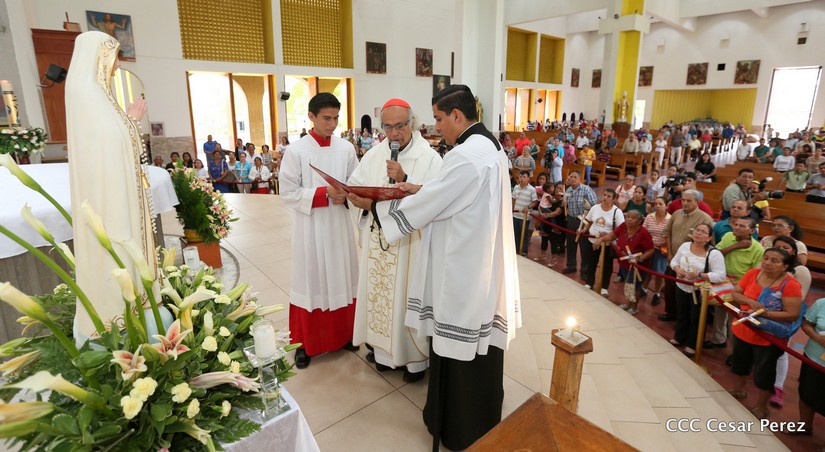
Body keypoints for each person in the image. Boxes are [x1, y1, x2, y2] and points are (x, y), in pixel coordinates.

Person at [346, 85, 521, 451]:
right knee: (478, 350)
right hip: (481, 259)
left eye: (439, 119)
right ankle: (479, 417)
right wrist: (418, 189)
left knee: (457, 345)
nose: (436, 127)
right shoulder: (488, 146)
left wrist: (373, 207)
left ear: (457, 115)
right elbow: (449, 193)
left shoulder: (464, 156)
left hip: (462, 266)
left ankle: (457, 427)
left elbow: (435, 203)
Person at [65, 31, 157, 344]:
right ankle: (117, 317)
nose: (116, 66)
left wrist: (128, 122)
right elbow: (111, 143)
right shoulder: (86, 93)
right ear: (100, 55)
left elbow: (112, 141)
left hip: (114, 189)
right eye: (114, 57)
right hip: (109, 198)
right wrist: (132, 121)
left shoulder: (96, 93)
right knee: (115, 247)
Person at [347, 98, 442, 382]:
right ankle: (384, 355)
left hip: (411, 244)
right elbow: (356, 185)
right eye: (387, 127)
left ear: (412, 123)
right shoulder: (374, 154)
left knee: (404, 299)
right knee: (380, 298)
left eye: (400, 125)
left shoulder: (429, 158)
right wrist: (353, 196)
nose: (394, 133)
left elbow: (436, 200)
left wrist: (405, 177)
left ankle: (414, 362)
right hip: (378, 241)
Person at [279, 92, 360, 369]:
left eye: (336, 118)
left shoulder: (346, 148)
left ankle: (345, 335)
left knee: (342, 275)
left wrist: (348, 194)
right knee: (311, 279)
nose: (332, 124)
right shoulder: (297, 150)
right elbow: (287, 192)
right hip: (311, 226)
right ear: (311, 117)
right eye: (326, 118)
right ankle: (305, 344)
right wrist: (323, 193)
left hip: (338, 224)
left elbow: (355, 182)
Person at [727, 248, 802, 420]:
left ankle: (761, 406)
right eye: (766, 258)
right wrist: (750, 301)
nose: (767, 263)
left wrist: (764, 313)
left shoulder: (790, 285)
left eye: (774, 261)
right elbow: (736, 292)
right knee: (739, 363)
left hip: (767, 337)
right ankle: (738, 390)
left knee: (764, 372)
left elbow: (792, 314)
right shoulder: (753, 273)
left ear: (785, 266)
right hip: (744, 329)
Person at [669, 223, 727, 355]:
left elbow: (720, 275)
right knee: (682, 313)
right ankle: (679, 337)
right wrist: (677, 269)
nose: (698, 233)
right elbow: (674, 261)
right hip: (682, 285)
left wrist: (699, 275)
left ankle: (692, 344)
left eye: (703, 232)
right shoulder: (685, 246)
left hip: (699, 291)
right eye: (697, 230)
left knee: (696, 318)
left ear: (709, 237)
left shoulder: (714, 253)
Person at [768, 236, 811, 408]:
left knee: (782, 351)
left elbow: (798, 299)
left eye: (785, 248)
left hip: (784, 316)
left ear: (793, 251)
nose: (781, 250)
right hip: (764, 313)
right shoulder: (768, 265)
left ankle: (778, 386)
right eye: (777, 246)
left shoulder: (800, 271)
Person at [660, 190, 714, 322]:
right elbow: (667, 233)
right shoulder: (676, 214)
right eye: (683, 200)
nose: (685, 203)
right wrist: (669, 253)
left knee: (687, 294)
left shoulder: (705, 218)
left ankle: (684, 320)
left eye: (689, 201)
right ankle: (670, 313)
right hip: (673, 259)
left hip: (691, 265)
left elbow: (709, 243)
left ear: (697, 202)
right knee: (670, 289)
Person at [711, 217, 765, 348]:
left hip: (740, 288)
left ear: (751, 231)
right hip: (722, 283)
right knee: (719, 313)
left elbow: (755, 275)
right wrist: (735, 246)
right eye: (736, 225)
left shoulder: (758, 249)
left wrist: (740, 289)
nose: (737, 228)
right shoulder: (728, 236)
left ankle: (733, 350)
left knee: (734, 318)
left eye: (742, 226)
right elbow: (715, 254)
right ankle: (718, 340)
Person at [596, 210, 653, 314]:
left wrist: (639, 259)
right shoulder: (623, 226)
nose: (629, 219)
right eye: (628, 217)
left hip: (637, 266)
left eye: (633, 218)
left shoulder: (644, 233)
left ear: (639, 221)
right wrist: (601, 239)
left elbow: (650, 250)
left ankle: (634, 307)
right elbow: (612, 235)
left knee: (634, 287)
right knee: (628, 285)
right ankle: (629, 303)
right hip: (624, 263)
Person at [582, 189, 624, 296]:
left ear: (613, 199)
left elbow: (621, 229)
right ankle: (589, 282)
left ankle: (604, 287)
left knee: (607, 265)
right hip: (592, 240)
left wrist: (607, 234)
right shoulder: (595, 208)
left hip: (608, 244)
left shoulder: (617, 212)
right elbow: (588, 221)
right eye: (604, 195)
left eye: (609, 196)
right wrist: (584, 229)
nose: (605, 198)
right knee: (591, 262)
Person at [796, 297, 825, 434]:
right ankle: (805, 425)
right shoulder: (821, 303)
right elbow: (806, 324)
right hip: (813, 357)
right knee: (806, 391)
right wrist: (817, 338)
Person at [562, 170, 598, 275]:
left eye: (575, 177)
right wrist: (564, 203)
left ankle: (584, 270)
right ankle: (571, 266)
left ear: (580, 179)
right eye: (571, 177)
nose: (572, 179)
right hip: (571, 219)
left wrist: (588, 207)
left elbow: (594, 205)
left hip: (584, 221)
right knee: (570, 244)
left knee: (584, 247)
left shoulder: (586, 189)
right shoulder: (568, 190)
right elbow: (566, 203)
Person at [643, 197, 671, 306]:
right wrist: (649, 243)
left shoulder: (670, 219)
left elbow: (670, 235)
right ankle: (644, 289)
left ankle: (657, 293)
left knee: (659, 272)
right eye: (655, 204)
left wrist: (661, 244)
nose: (657, 206)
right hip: (648, 247)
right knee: (647, 270)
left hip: (661, 250)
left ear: (666, 206)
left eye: (660, 204)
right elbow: (644, 232)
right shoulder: (649, 217)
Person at [535, 182, 565, 266]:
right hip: (546, 222)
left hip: (556, 224)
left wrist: (546, 215)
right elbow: (540, 205)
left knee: (553, 242)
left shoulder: (563, 202)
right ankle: (542, 255)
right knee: (544, 239)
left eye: (560, 189)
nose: (558, 190)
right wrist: (541, 213)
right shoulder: (550, 197)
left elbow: (557, 212)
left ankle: (554, 259)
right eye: (557, 188)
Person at [512, 171, 538, 256]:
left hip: (524, 217)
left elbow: (535, 202)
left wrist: (528, 207)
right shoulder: (516, 187)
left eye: (524, 177)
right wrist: (512, 210)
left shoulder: (532, 189)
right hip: (515, 215)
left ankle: (523, 252)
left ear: (528, 179)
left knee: (523, 235)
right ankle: (515, 251)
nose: (522, 179)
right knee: (515, 234)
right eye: (520, 177)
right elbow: (513, 199)